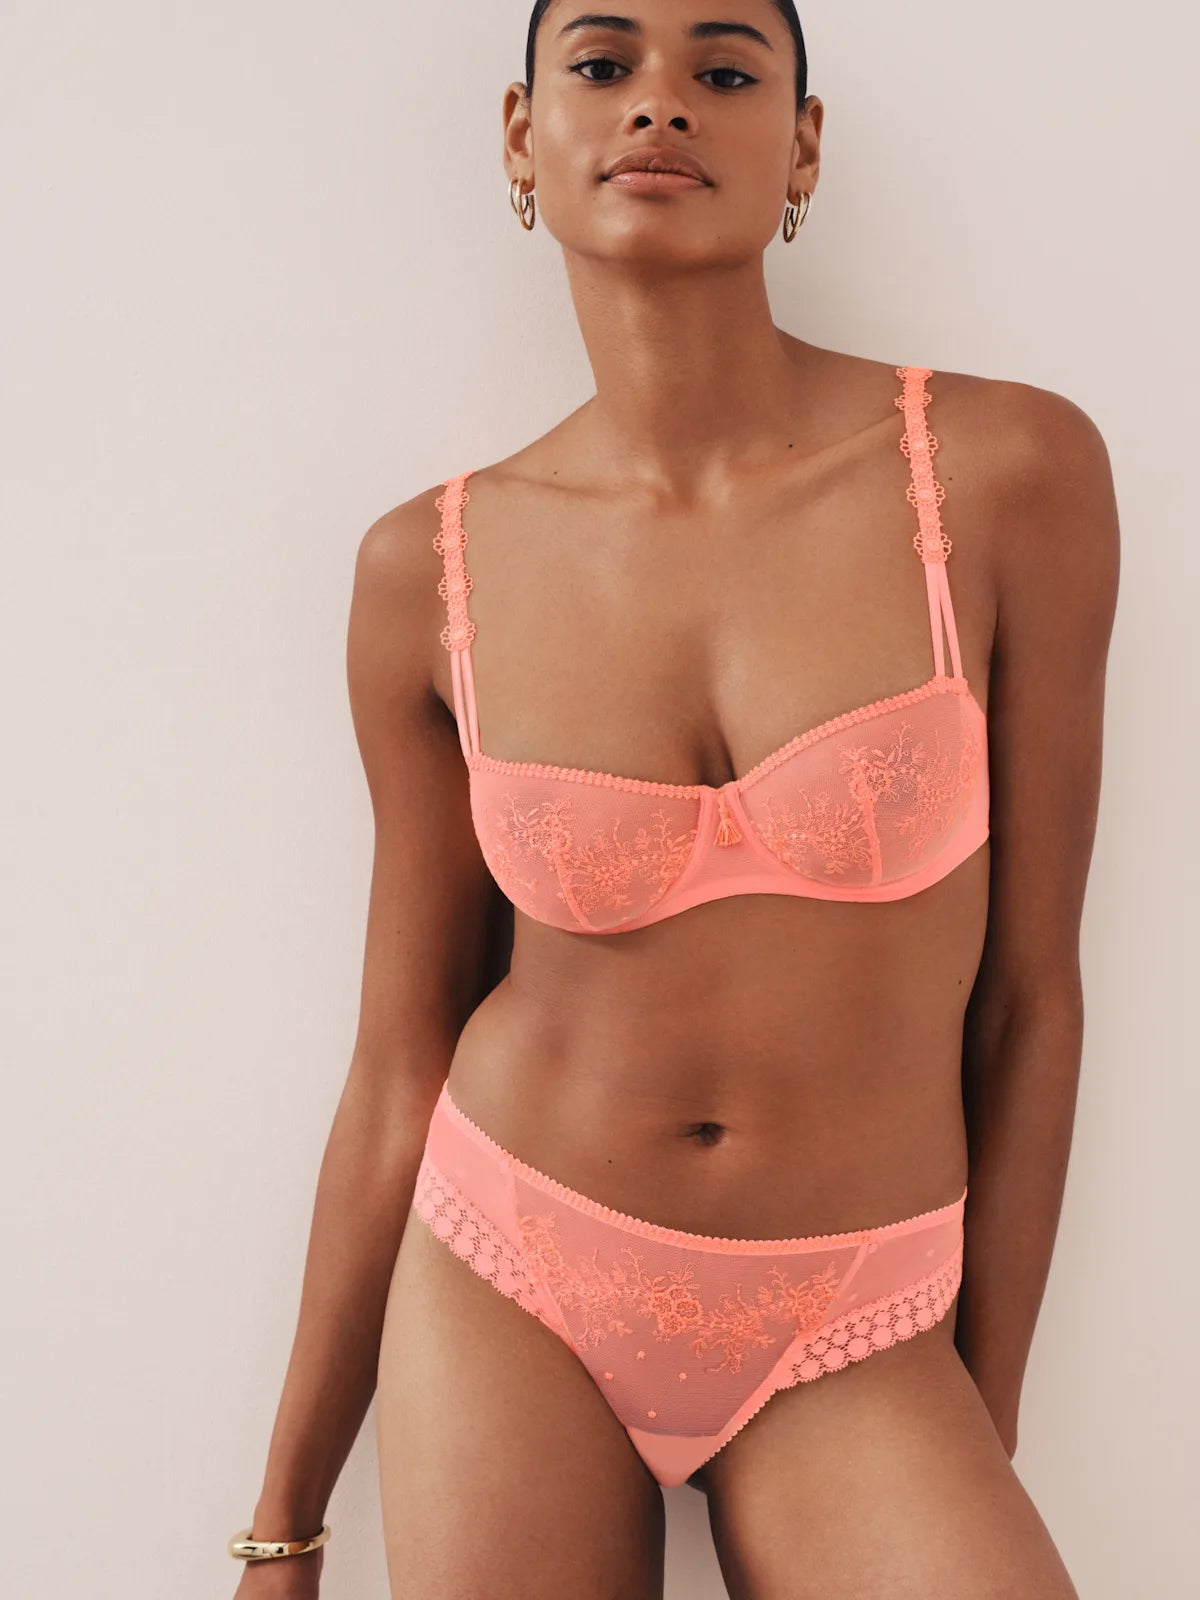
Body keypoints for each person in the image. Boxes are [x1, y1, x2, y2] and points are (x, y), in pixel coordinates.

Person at [229, 3, 1119, 1596]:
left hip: (859, 1306)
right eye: (601, 65)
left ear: (804, 145)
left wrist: (975, 1424)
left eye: (723, 71)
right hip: (517, 1263)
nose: (660, 106)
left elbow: (1033, 998)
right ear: (523, 137)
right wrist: (283, 1523)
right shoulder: (426, 572)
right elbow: (401, 1056)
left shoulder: (1002, 473)